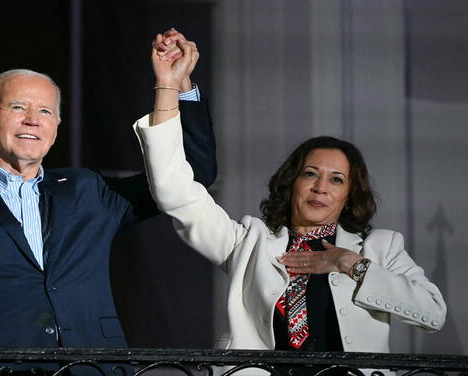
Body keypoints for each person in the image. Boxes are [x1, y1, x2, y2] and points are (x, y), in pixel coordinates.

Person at [0, 29, 215, 354]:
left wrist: (175, 87)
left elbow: (191, 176)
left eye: (45, 111)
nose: (32, 120)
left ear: (56, 127)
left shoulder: (87, 191)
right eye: (17, 108)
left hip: (88, 365)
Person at [134, 36, 446, 357]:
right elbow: (174, 191)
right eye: (310, 174)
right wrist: (169, 86)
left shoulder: (382, 247)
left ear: (349, 196)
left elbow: (434, 314)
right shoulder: (248, 243)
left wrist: (350, 263)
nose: (321, 187)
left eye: (336, 180)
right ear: (291, 182)